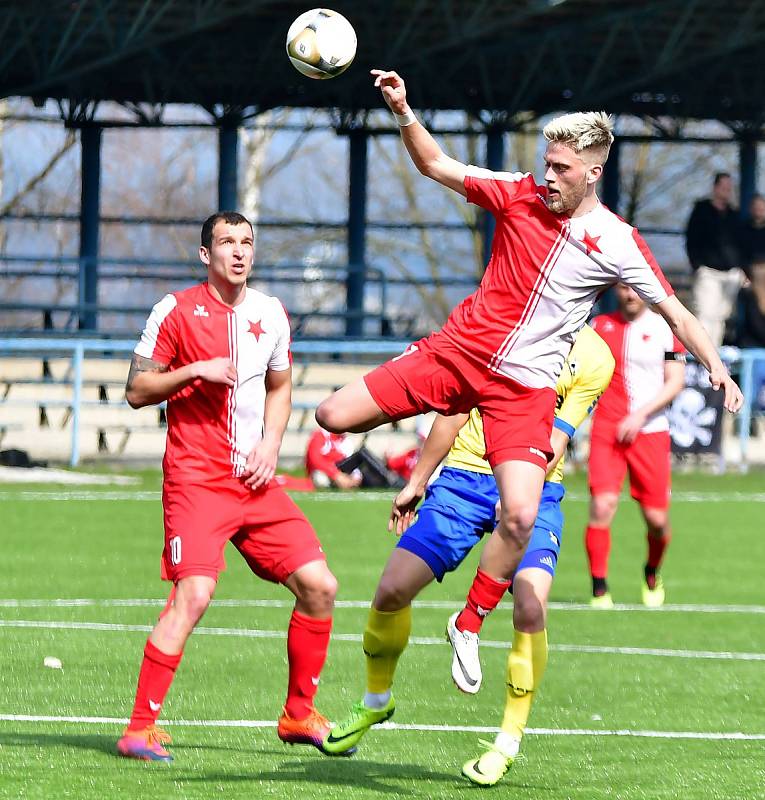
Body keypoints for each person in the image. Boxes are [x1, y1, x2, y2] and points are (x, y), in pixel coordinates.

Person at [315, 68, 742, 657]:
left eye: (561, 168)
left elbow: (678, 314)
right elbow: (436, 165)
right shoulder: (516, 192)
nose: (548, 175)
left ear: (593, 173)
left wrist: (716, 365)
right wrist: (403, 110)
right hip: (456, 355)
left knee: (519, 517)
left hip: (523, 392)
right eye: (546, 162)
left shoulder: (618, 240)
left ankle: (468, 623)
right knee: (333, 416)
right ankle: (424, 427)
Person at [321, 325, 614, 790]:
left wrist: (522, 489)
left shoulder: (596, 357)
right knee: (392, 589)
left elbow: (558, 437)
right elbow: (453, 414)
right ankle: (376, 700)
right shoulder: (500, 329)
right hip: (462, 481)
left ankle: (507, 743)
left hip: (537, 486)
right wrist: (417, 481)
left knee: (531, 603)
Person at [116, 212, 350, 762]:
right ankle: (137, 730)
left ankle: (297, 716)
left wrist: (272, 445)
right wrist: (192, 370)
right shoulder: (172, 311)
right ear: (206, 254)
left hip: (255, 481)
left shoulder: (270, 312)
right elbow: (136, 389)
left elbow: (281, 384)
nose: (239, 252)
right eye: (226, 243)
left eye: (247, 242)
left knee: (321, 586)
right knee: (194, 595)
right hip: (197, 479)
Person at [583, 283, 687, 608]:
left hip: (651, 432)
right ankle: (599, 588)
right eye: (624, 289)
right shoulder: (598, 327)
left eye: (635, 289)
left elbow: (676, 381)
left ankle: (652, 572)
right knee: (602, 506)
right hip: (607, 432)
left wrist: (639, 415)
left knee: (657, 520)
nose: (630, 295)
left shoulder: (665, 329)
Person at [685, 172, 745, 347]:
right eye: (723, 187)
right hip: (708, 272)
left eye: (729, 188)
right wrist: (697, 265)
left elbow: (741, 243)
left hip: (731, 274)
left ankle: (716, 356)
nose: (727, 191)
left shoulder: (733, 215)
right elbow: (692, 238)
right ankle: (702, 357)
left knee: (721, 318)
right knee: (705, 314)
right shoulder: (702, 211)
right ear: (715, 187)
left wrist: (741, 270)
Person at [741, 193, 765, 278]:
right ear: (751, 209)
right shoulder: (743, 229)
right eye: (756, 206)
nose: (758, 209)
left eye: (761, 206)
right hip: (748, 273)